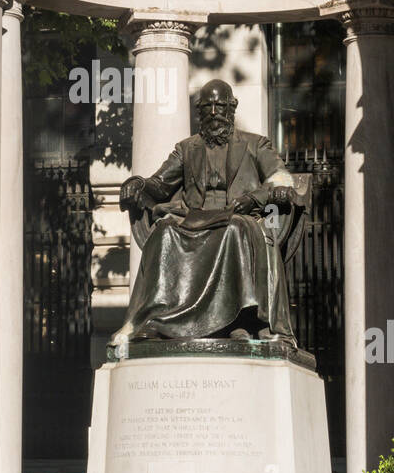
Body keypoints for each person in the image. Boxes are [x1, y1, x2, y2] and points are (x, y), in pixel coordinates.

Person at [113, 78, 302, 346]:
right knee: (164, 233)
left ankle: (239, 319)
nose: (214, 114)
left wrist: (254, 197)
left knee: (234, 230)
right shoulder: (186, 148)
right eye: (207, 108)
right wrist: (138, 183)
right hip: (195, 218)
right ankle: (156, 319)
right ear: (199, 111)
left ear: (231, 108)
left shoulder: (256, 144)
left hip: (240, 217)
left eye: (220, 107)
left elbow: (280, 178)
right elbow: (160, 184)